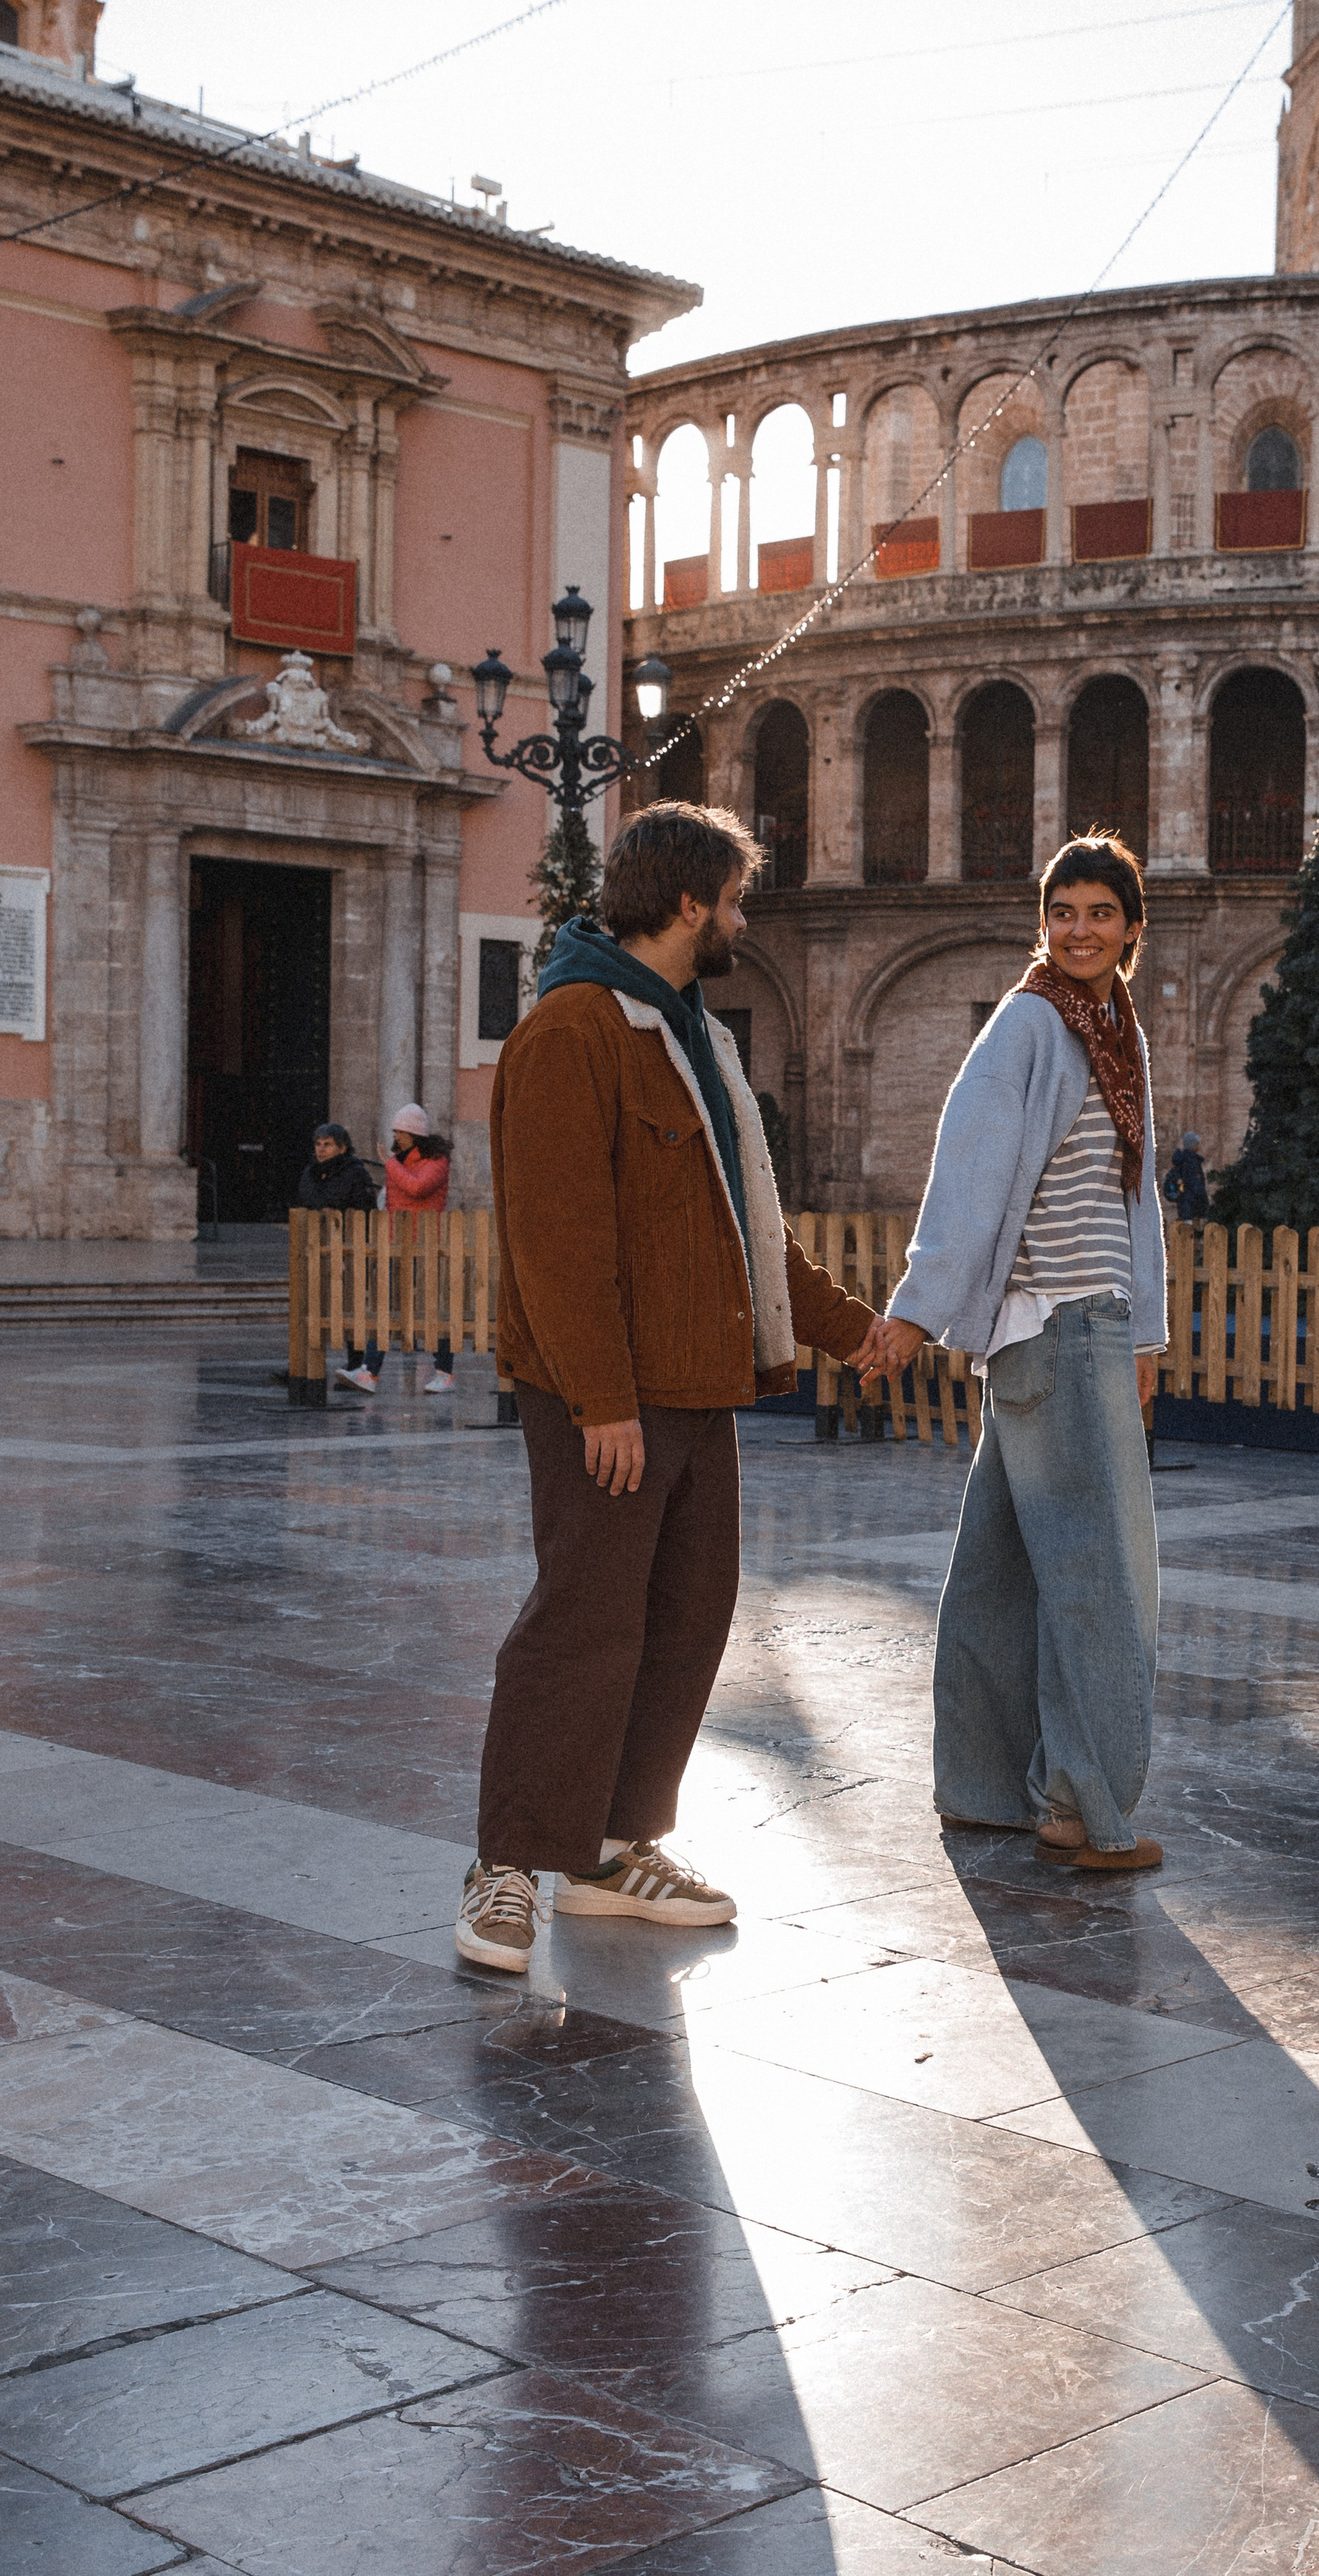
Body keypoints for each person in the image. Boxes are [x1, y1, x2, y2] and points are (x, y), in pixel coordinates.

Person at [456, 801, 884, 1973]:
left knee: (686, 1619)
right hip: (610, 1397)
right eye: (736, 899)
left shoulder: (687, 1031)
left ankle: (611, 1846)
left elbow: (747, 1230)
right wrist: (600, 1400)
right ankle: (503, 1866)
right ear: (689, 902)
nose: (742, 918)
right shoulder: (573, 1030)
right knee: (584, 1619)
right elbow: (555, 1238)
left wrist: (854, 1331)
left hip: (699, 1387)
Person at [860, 832, 1168, 1874]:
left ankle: (988, 1787)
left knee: (1003, 1567)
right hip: (1059, 1328)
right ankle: (1082, 1808)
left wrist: (1146, 1333)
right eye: (1062, 911)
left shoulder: (1113, 1031)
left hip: (1083, 1328)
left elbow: (1135, 1203)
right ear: (1044, 923)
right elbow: (972, 1165)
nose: (1078, 931)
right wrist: (916, 1306)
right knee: (1104, 1583)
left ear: (1131, 927)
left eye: (1099, 913)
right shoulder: (1033, 1024)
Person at [333, 1106, 457, 1397]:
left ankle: (445, 1373)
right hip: (396, 1243)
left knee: (432, 1311)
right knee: (385, 1308)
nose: (396, 1137)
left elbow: (418, 1188)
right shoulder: (400, 1161)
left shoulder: (435, 1161)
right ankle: (369, 1373)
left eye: (400, 1132)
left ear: (415, 1134)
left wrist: (389, 1165)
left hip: (424, 1245)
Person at [298, 1126, 386, 1393]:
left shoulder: (354, 1173)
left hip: (349, 1247)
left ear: (342, 1148)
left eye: (327, 1144)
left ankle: (355, 1364)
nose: (321, 1149)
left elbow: (358, 1207)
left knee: (351, 1307)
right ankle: (304, 1365)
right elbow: (306, 1198)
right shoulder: (312, 1171)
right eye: (318, 1144)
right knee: (312, 1305)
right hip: (318, 1246)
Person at [1162, 1131, 1210, 1224]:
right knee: (1189, 1230)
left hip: (1186, 1206)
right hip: (1191, 1205)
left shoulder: (1186, 1161)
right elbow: (1194, 1183)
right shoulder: (1190, 1162)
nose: (1198, 1146)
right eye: (1196, 1144)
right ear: (1192, 1146)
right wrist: (1203, 1199)